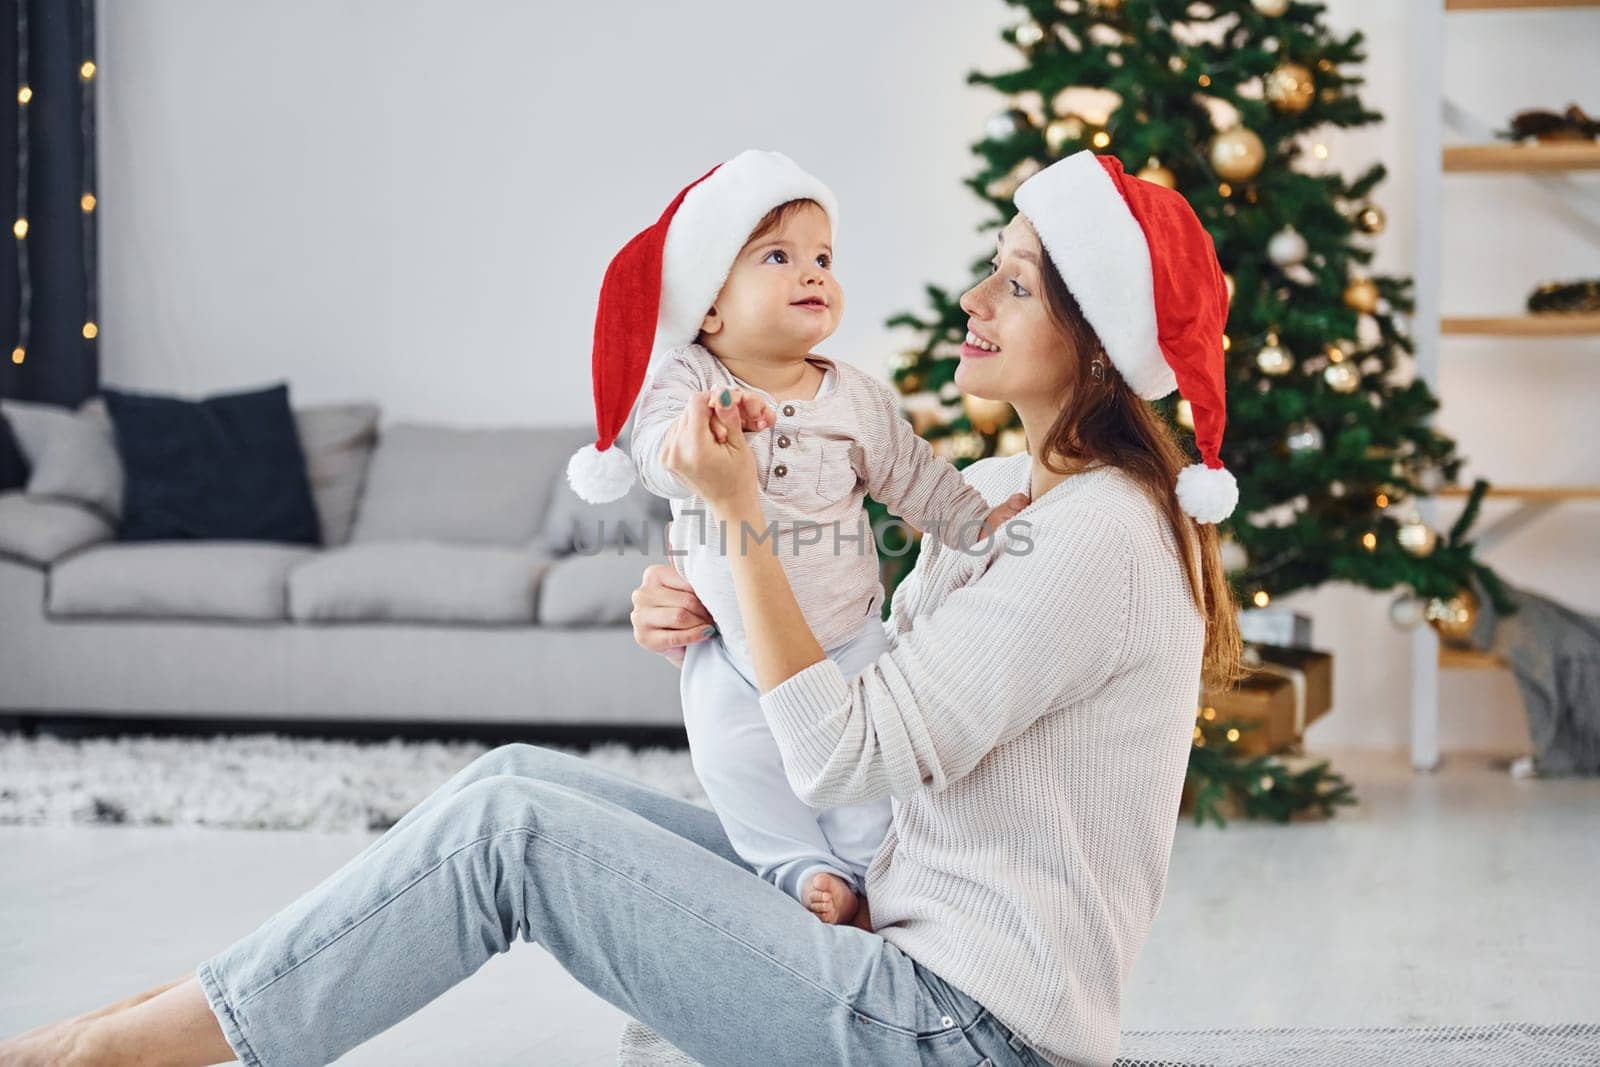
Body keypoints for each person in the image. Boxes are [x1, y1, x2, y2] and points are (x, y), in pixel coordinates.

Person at [0, 149, 1242, 1067]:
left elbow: (842, 748)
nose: (974, 299)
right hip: (899, 924)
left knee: (513, 840)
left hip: (957, 1027)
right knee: (512, 782)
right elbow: (858, 682)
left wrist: (739, 519)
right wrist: (714, 591)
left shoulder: (1100, 536)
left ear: (1095, 343)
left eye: (1014, 286)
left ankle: (124, 1050)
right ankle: (164, 1017)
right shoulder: (1001, 491)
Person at [566, 148, 1029, 929]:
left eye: (823, 258)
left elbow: (914, 477)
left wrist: (977, 527)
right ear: (710, 306)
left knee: (868, 787)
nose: (812, 273)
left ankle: (871, 875)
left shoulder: (857, 399)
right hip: (728, 652)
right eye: (778, 257)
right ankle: (801, 869)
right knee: (733, 762)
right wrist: (703, 435)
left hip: (845, 640)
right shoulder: (687, 377)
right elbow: (655, 453)